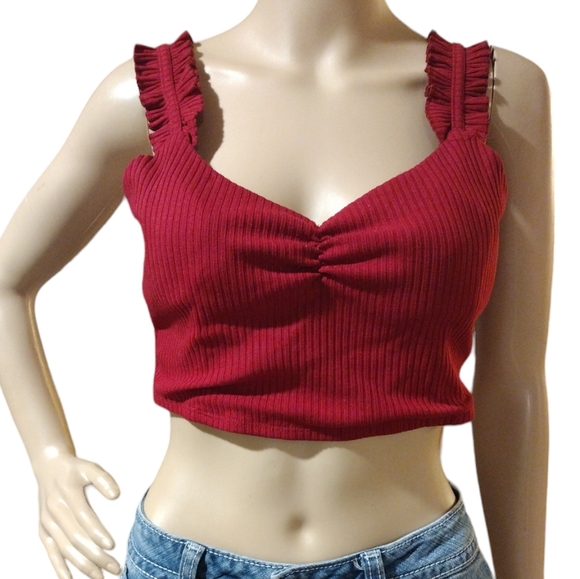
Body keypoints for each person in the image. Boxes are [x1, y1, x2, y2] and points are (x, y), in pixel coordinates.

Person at [0, 1, 551, 578]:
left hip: (419, 558)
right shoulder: (137, 100)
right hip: (186, 560)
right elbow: (9, 281)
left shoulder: (501, 96)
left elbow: (515, 379)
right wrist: (49, 459)